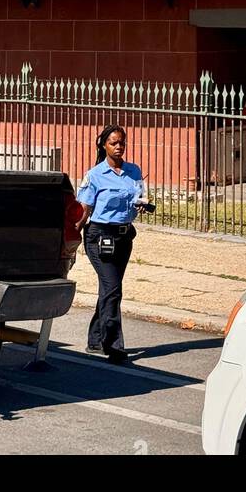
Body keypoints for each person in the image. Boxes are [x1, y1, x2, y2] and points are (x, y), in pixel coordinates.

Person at [76, 124, 155, 363]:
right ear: (104, 145)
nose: (119, 147)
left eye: (122, 142)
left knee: (110, 291)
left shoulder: (133, 171)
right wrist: (69, 238)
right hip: (99, 236)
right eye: (113, 143)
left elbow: (139, 196)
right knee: (113, 289)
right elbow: (84, 210)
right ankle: (114, 345)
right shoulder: (95, 175)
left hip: (123, 236)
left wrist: (143, 204)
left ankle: (94, 340)